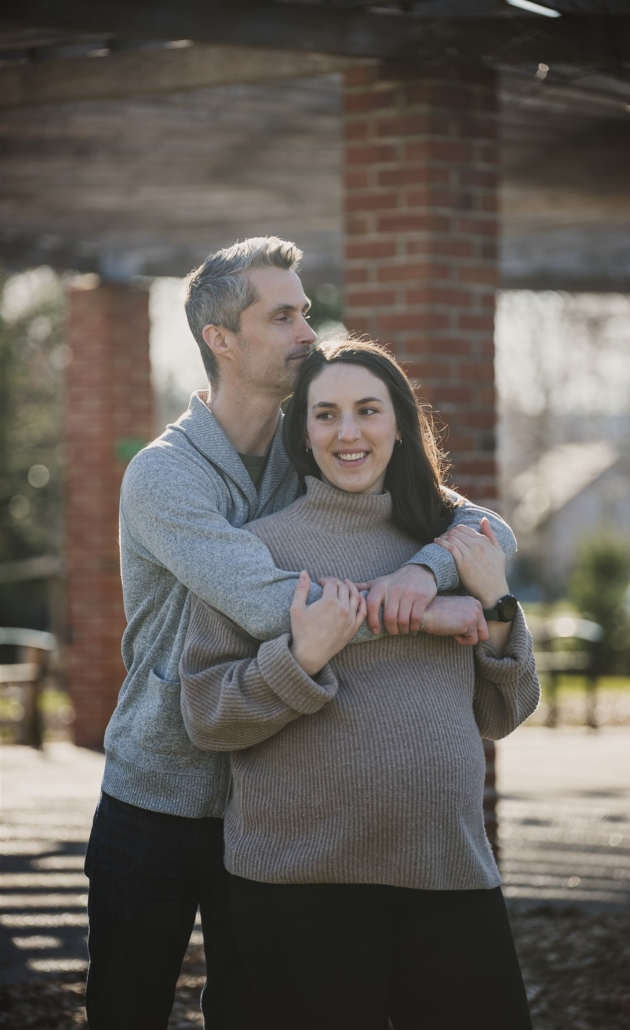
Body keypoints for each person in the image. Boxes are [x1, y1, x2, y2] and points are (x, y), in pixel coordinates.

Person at [84, 238, 519, 1030]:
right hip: (163, 796)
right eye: (282, 316)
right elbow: (265, 600)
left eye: (306, 313)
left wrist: (419, 573)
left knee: (248, 1016)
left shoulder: (313, 445)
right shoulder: (164, 475)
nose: (307, 334)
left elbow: (482, 524)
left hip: (276, 807)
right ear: (222, 339)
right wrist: (424, 614)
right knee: (126, 1011)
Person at [180, 337, 540, 1030]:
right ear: (304, 432)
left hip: (450, 870)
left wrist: (495, 600)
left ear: (400, 424)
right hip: (299, 885)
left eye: (368, 410)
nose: (348, 432)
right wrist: (300, 659)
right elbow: (208, 717)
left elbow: (504, 712)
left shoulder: (454, 544)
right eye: (326, 415)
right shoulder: (258, 551)